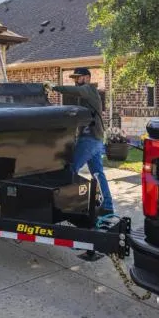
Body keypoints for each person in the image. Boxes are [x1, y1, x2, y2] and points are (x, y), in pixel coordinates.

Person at [55, 67, 114, 216]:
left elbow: (74, 91)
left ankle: (67, 206)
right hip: (95, 139)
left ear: (87, 77)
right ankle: (108, 206)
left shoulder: (89, 89)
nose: (76, 80)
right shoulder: (85, 95)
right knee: (98, 174)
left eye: (78, 77)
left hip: (90, 139)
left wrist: (54, 87)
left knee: (71, 169)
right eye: (74, 78)